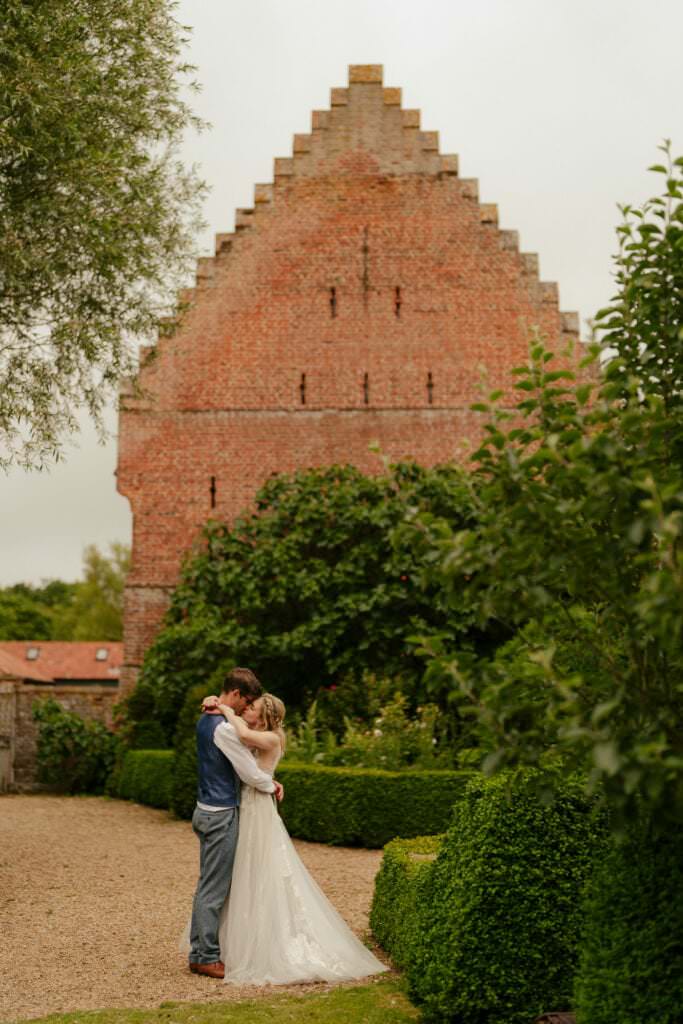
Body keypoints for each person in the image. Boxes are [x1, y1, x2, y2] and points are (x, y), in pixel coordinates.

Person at [202, 690, 388, 985]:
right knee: (242, 870)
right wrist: (214, 700)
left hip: (258, 807)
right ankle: (236, 941)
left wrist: (225, 710)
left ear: (264, 718)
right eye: (247, 706)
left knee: (262, 868)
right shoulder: (258, 733)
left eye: (253, 708)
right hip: (248, 802)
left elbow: (240, 734)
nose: (247, 710)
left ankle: (271, 945)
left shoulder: (272, 738)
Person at [187, 667, 284, 979]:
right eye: (248, 701)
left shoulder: (207, 719)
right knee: (214, 889)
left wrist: (217, 705)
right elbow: (250, 774)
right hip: (220, 813)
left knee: (208, 884)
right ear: (238, 694)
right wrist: (272, 785)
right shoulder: (226, 729)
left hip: (204, 809)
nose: (246, 709)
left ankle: (200, 949)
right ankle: (205, 956)